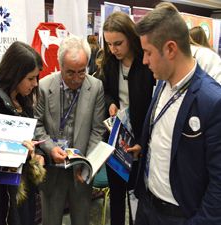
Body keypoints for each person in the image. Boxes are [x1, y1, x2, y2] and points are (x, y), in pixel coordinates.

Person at [134, 2, 221, 225]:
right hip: (147, 206)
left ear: (171, 49)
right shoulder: (162, 84)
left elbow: (219, 183)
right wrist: (145, 148)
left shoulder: (212, 101)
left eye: (148, 53)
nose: (144, 61)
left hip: (180, 217)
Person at [34, 35, 106, 225]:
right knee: (50, 219)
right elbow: (37, 125)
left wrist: (86, 162)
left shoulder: (96, 87)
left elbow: (97, 130)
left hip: (80, 170)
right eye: (70, 73)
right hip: (52, 169)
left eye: (81, 72)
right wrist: (50, 148)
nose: (76, 79)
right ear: (60, 66)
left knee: (81, 219)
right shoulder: (43, 86)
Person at [100, 11, 155, 225]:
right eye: (109, 44)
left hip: (140, 140)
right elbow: (105, 91)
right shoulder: (109, 62)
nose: (113, 50)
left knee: (135, 196)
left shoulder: (146, 62)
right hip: (116, 138)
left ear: (131, 38)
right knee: (116, 195)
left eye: (118, 43)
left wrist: (143, 140)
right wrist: (110, 103)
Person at [0, 41, 46, 225]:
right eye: (30, 78)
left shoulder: (24, 101)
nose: (35, 84)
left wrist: (38, 156)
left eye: (37, 78)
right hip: (3, 197)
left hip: (25, 189)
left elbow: (32, 139)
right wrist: (18, 152)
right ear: (15, 74)